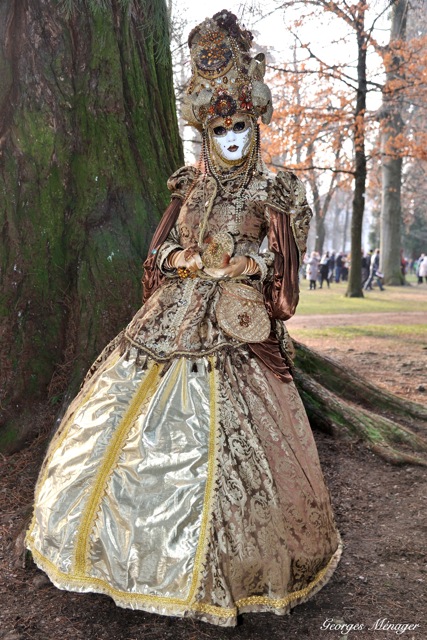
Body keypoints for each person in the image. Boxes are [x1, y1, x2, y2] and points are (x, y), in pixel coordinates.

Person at [26, 11, 341, 627]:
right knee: (129, 426)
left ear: (254, 126)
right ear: (206, 134)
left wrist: (249, 266)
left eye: (239, 130)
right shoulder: (188, 186)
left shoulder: (276, 191)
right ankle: (126, 551)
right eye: (218, 132)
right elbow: (158, 253)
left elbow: (284, 268)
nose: (229, 142)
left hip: (237, 327)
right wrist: (184, 256)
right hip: (171, 319)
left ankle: (237, 569)